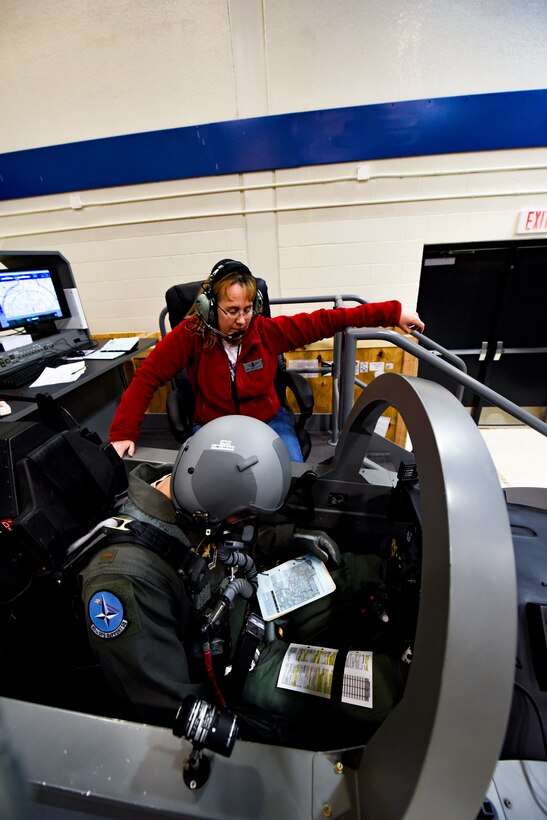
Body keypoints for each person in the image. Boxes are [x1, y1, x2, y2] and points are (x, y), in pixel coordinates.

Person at [80, 416, 410, 749]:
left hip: (248, 600)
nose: (247, 524)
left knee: (366, 570)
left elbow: (228, 537)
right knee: (380, 692)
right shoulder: (126, 580)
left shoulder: (178, 489)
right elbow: (161, 703)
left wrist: (289, 537)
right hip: (236, 665)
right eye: (245, 516)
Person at [109, 258, 425, 462]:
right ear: (209, 307)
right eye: (232, 311)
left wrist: (392, 313)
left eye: (247, 309)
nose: (242, 320)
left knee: (291, 484)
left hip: (268, 421)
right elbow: (147, 376)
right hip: (213, 424)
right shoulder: (190, 334)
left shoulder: (266, 331)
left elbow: (328, 320)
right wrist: (122, 433)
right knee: (205, 491)